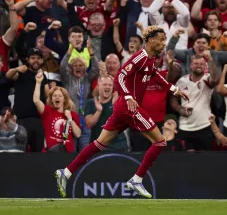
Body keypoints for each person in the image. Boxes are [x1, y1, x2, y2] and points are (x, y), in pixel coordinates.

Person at [54, 26, 189, 199]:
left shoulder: (150, 58)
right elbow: (119, 77)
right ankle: (137, 180)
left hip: (123, 109)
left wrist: (173, 89)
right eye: (161, 39)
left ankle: (66, 172)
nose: (163, 43)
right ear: (150, 40)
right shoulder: (139, 57)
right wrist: (127, 96)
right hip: (129, 108)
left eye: (164, 40)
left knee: (99, 143)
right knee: (160, 142)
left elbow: (154, 74)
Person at [33, 73, 81, 153]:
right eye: (54, 96)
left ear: (64, 99)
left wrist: (70, 119)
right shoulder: (47, 111)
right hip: (51, 152)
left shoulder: (72, 114)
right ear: (51, 99)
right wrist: (38, 83)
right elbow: (36, 100)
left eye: (60, 96)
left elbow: (78, 134)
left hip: (67, 152)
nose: (57, 97)